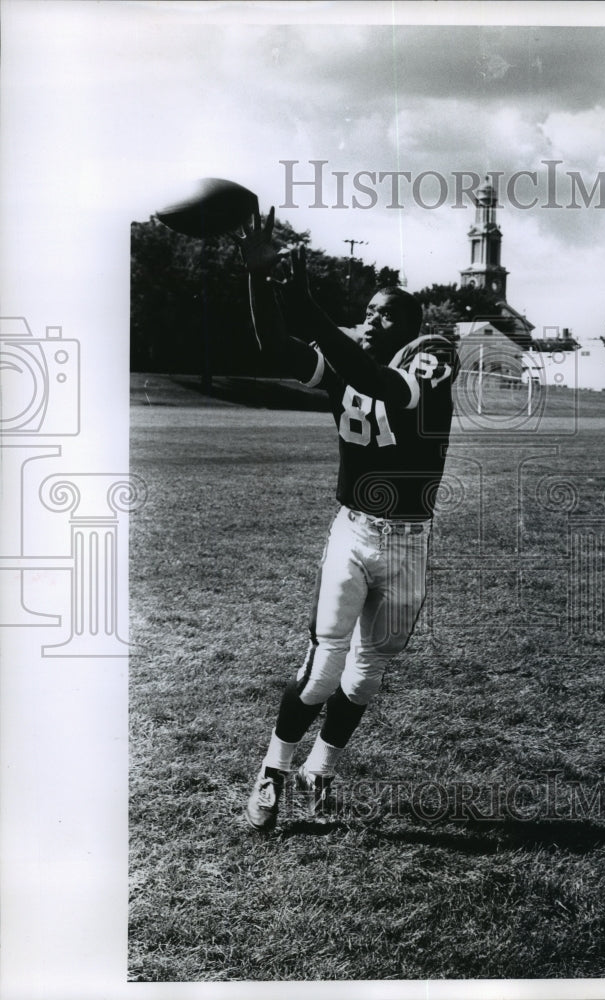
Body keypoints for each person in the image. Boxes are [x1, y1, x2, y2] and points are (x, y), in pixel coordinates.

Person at [235, 208, 459, 831]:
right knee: (322, 669)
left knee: (363, 680)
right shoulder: (346, 359)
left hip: (410, 541)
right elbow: (273, 348)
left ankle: (321, 770)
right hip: (356, 531)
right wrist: (260, 280)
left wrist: (310, 310)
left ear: (412, 329)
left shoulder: (431, 359)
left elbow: (380, 385)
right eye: (368, 310)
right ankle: (274, 770)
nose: (370, 318)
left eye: (385, 313)